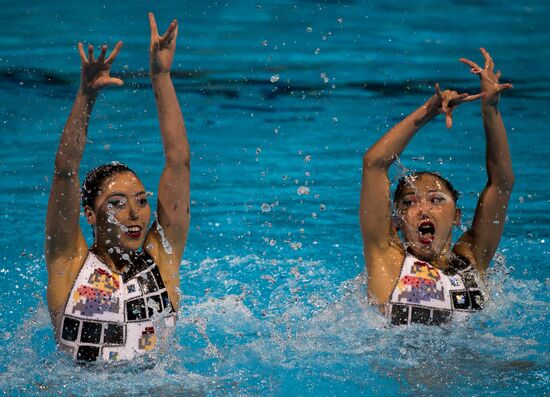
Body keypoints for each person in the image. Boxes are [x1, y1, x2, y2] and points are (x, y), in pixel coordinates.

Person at [45, 13, 190, 361]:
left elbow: (178, 161)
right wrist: (85, 97)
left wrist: (162, 76)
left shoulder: (163, 259)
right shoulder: (69, 263)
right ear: (89, 215)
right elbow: (65, 171)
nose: (134, 213)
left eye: (141, 201)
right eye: (117, 202)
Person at [360, 48, 514, 325]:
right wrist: (429, 110)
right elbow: (374, 163)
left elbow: (501, 183)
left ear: (456, 217)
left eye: (436, 200)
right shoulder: (387, 260)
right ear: (396, 220)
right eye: (409, 202)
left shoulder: (471, 260)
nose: (421, 209)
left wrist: (490, 110)